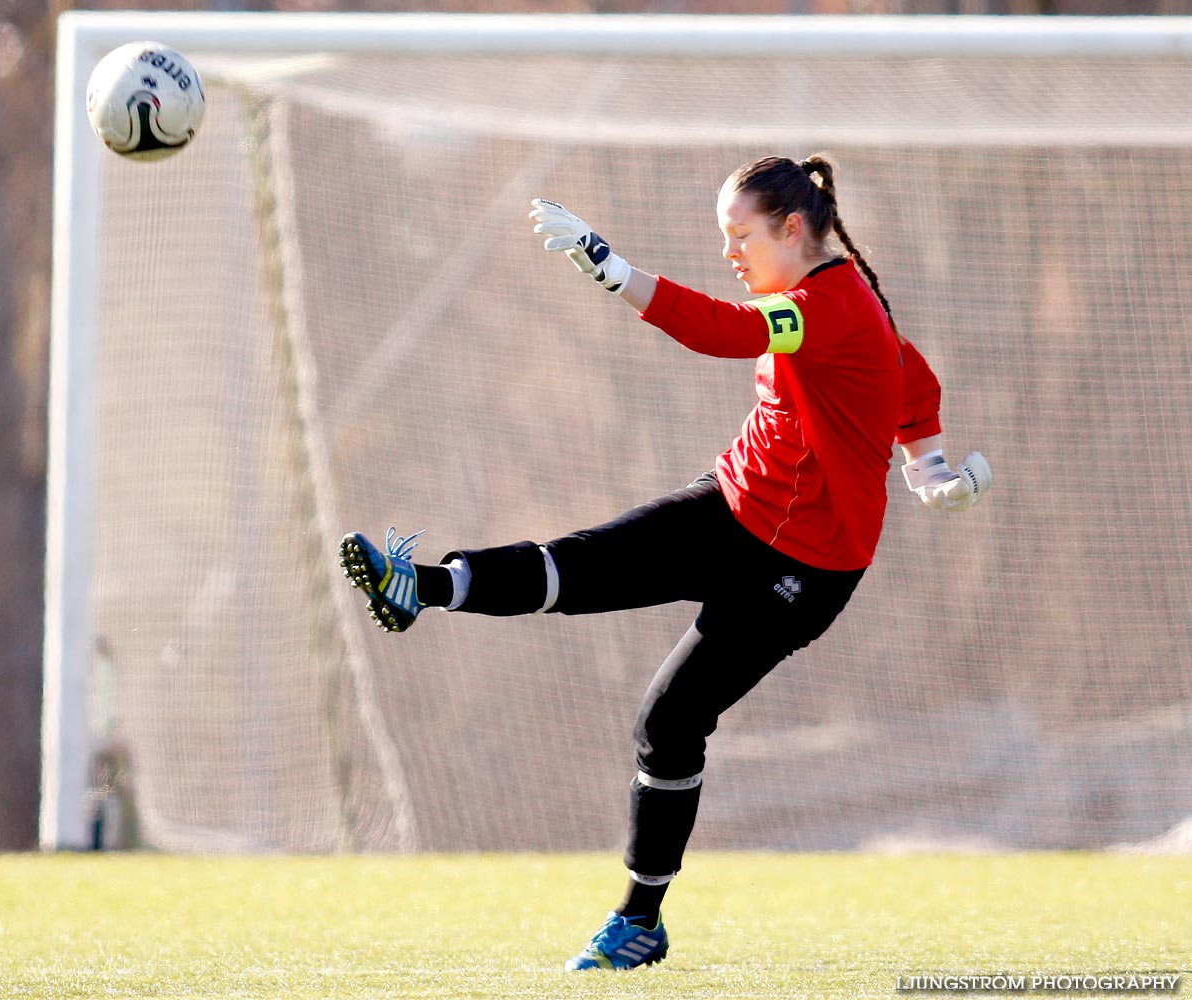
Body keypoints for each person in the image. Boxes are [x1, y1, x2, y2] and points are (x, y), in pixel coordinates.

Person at [339, 154, 992, 972]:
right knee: (576, 566)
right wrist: (928, 467)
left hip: (804, 571)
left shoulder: (819, 307)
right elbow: (910, 376)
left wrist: (615, 273)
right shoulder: (829, 301)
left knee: (669, 723)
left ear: (793, 229)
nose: (730, 252)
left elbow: (730, 332)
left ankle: (638, 923)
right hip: (733, 505)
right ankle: (419, 588)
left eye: (739, 234)